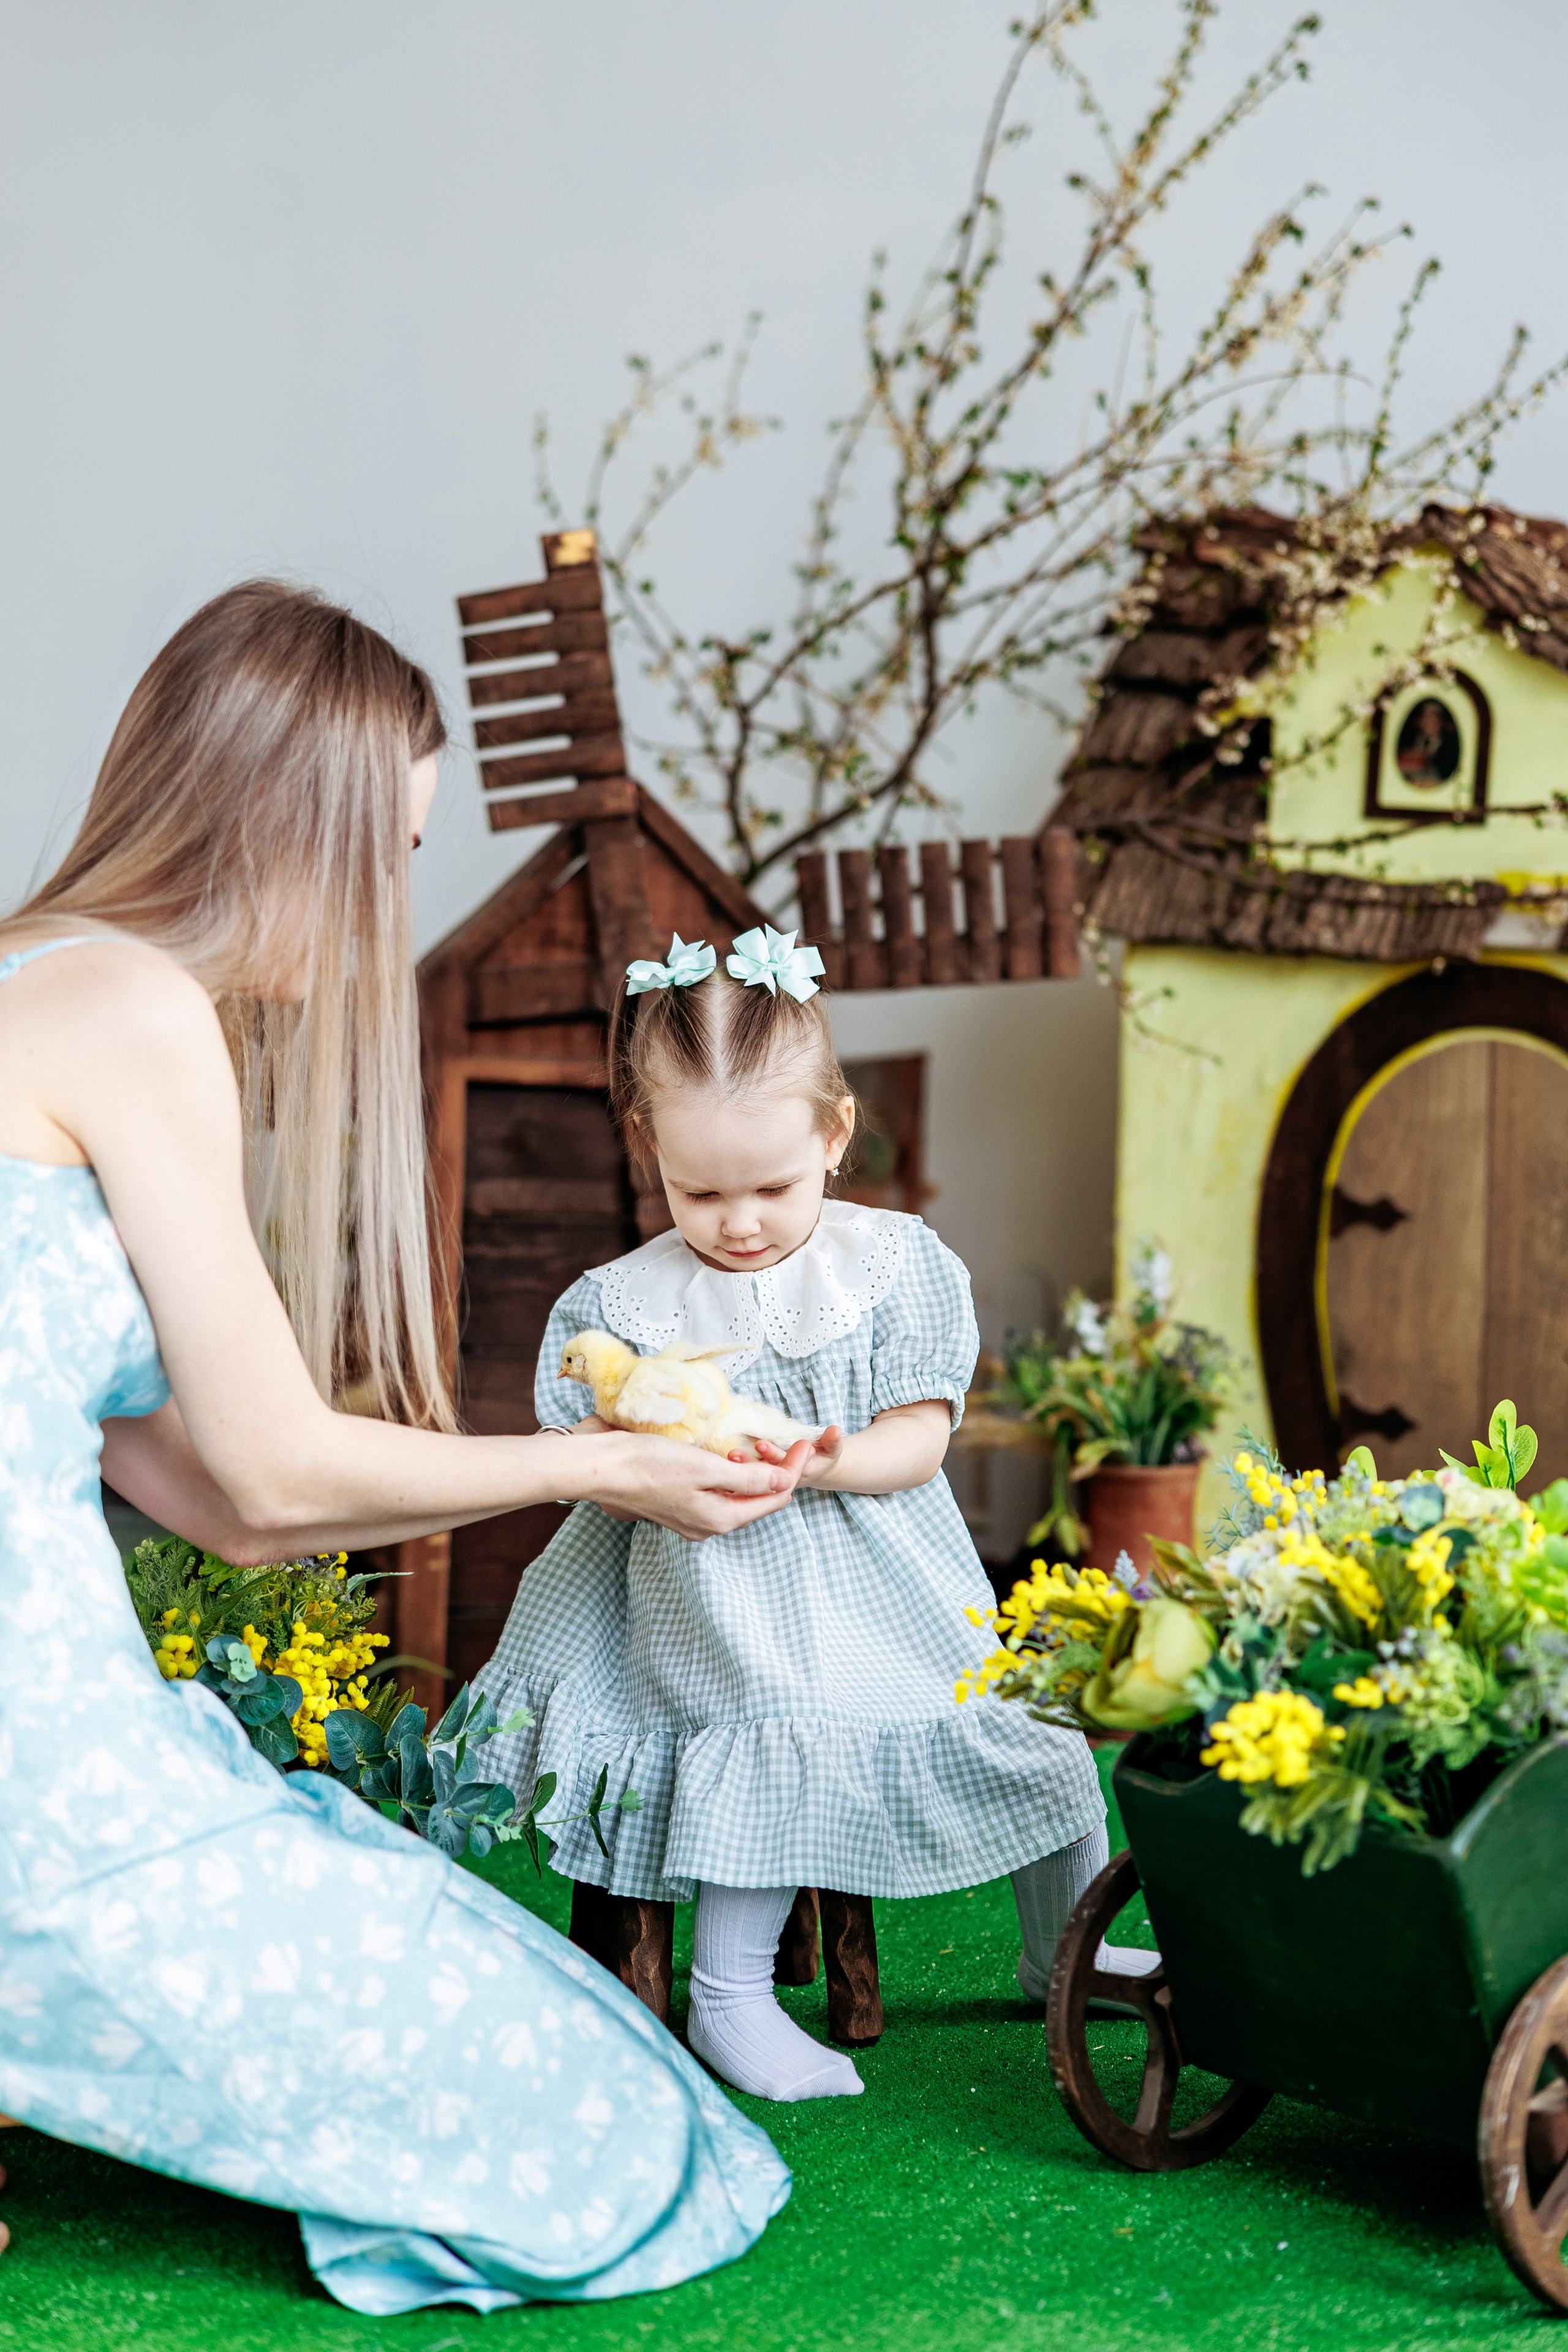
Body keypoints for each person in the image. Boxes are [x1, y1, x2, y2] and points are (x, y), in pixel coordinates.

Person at [0, 583, 805, 2314]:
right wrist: (598, 1465)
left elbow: (216, 1502)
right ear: (297, 833)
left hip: (49, 1750)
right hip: (34, 1791)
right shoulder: (132, 1012)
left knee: (490, 1986)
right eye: (398, 851)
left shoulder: (32, 983)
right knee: (618, 2151)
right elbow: (284, 1476)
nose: (396, 909)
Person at [476, 930, 1156, 2107]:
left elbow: (921, 1438)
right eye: (701, 1191)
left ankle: (1064, 1950)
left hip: (889, 1579)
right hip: (711, 1592)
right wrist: (632, 1452)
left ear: (835, 1138)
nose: (739, 1221)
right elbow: (581, 1454)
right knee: (775, 1729)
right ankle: (731, 1998)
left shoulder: (890, 1267)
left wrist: (835, 1456)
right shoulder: (624, 1304)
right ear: (650, 1149)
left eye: (772, 1186)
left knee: (1040, 1734)